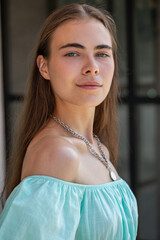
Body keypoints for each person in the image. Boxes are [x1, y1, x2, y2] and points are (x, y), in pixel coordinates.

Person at [0, 3, 138, 239]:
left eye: (102, 53)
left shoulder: (97, 146)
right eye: (72, 53)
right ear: (44, 67)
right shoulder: (58, 154)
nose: (92, 68)